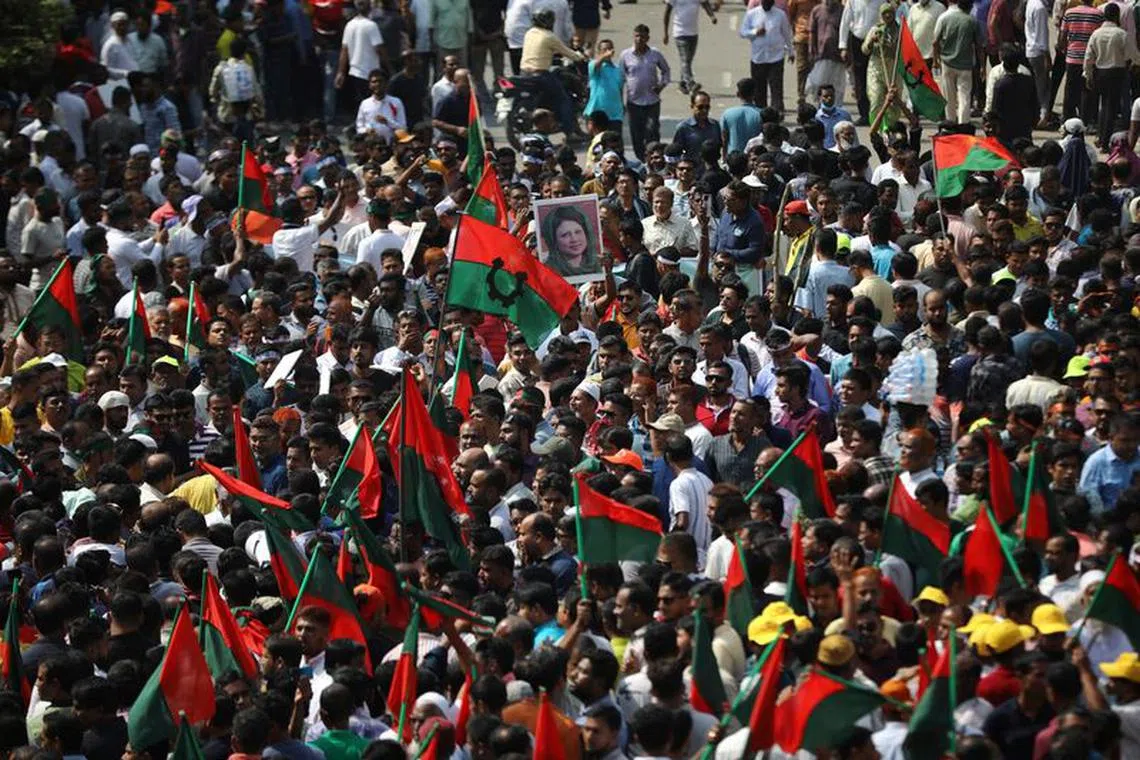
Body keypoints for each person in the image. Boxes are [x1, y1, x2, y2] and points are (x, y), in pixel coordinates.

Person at [620, 24, 671, 160]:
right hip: (633, 101)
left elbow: (666, 71)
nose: (639, 39)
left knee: (652, 130)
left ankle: (654, 158)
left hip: (652, 100)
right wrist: (620, 100)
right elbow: (620, 78)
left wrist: (662, 85)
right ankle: (641, 159)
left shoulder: (655, 54)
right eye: (637, 36)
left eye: (642, 36)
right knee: (636, 133)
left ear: (647, 38)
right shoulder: (625, 55)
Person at [933, 0, 982, 124]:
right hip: (966, 65)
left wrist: (935, 60)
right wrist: (982, 66)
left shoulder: (944, 18)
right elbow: (979, 46)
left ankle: (950, 122)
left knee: (948, 96)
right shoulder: (972, 21)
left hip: (947, 63)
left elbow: (935, 42)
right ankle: (963, 123)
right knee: (964, 96)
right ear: (970, 7)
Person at [740, 0, 794, 112]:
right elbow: (743, 32)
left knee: (776, 88)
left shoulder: (780, 15)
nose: (767, 4)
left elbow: (787, 34)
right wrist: (755, 32)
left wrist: (791, 52)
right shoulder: (752, 14)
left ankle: (777, 113)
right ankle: (761, 113)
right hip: (758, 58)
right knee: (759, 90)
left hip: (776, 58)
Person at [540, 204, 601, 277]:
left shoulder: (598, 264)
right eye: (565, 235)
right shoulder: (548, 271)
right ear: (554, 240)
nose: (574, 239)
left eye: (578, 232)